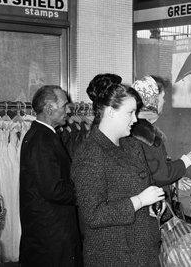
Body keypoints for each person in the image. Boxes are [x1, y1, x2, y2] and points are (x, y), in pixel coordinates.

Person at [71, 78, 165, 266]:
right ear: (110, 112)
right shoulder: (90, 154)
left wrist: (154, 204)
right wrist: (139, 201)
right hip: (114, 256)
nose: (135, 119)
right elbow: (93, 215)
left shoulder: (132, 145)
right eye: (130, 112)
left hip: (144, 252)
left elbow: (143, 187)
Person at [131, 75, 191, 217]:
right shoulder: (146, 136)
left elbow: (152, 170)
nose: (163, 101)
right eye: (161, 97)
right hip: (149, 213)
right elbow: (162, 174)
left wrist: (175, 180)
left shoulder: (132, 128)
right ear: (151, 100)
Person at [19, 85, 82, 266]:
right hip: (50, 236)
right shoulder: (42, 140)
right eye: (64, 106)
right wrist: (86, 194)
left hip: (50, 233)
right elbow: (53, 189)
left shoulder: (44, 135)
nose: (68, 110)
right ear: (48, 109)